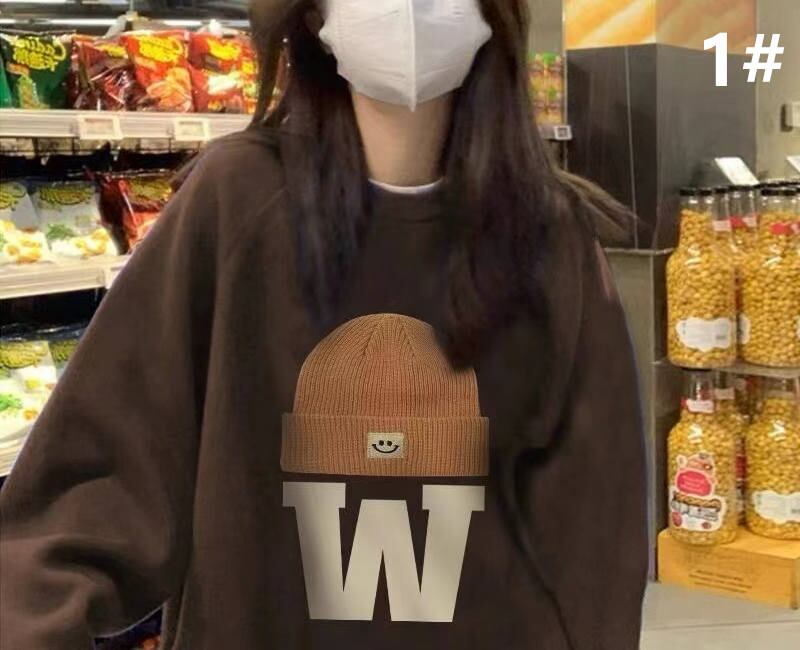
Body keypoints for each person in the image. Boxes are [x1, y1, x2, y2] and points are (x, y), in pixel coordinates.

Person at [0, 1, 647, 649]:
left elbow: (593, 546)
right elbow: (88, 501)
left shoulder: (550, 241)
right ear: (310, 14)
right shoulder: (236, 205)